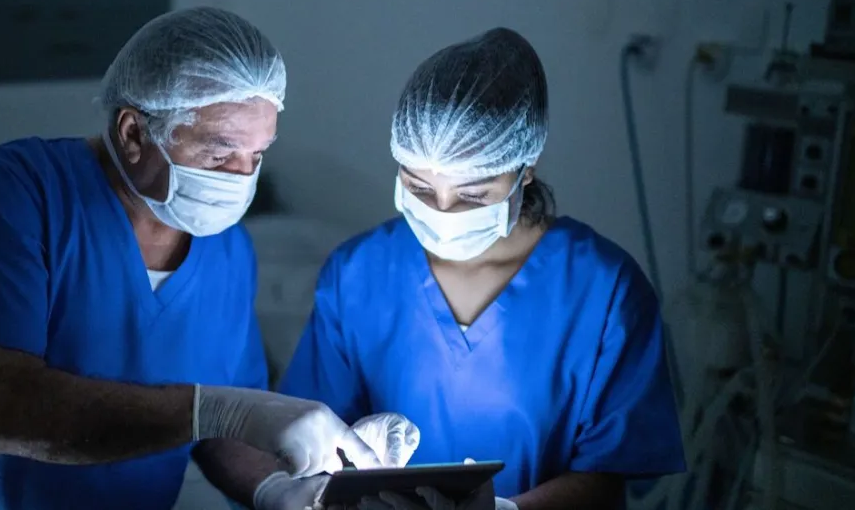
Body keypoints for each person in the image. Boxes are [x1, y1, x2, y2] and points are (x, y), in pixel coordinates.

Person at [0, 7, 386, 510]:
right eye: (219, 154)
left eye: (257, 155)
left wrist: (280, 488)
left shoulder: (228, 252)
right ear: (133, 133)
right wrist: (216, 410)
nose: (241, 177)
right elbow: (2, 412)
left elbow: (223, 431)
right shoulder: (17, 192)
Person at [277, 27, 687, 510]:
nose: (443, 213)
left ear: (525, 169)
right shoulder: (358, 274)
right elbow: (306, 436)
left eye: (473, 195)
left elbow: (607, 476)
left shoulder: (605, 291)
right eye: (420, 189)